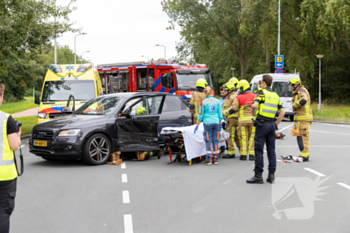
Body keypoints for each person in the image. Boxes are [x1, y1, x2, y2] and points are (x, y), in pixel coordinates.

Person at [247, 75, 285, 184]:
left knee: (258, 150)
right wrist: (276, 124)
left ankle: (258, 176)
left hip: (261, 124)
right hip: (271, 124)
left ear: (263, 82)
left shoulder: (261, 93)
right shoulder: (275, 95)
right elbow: (282, 112)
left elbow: (254, 106)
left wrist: (254, 116)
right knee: (271, 150)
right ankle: (271, 175)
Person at [0, 83, 22, 233]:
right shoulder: (6, 119)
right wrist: (18, 135)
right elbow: (15, 145)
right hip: (4, 176)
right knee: (2, 212)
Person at [194, 86, 223, 165]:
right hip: (216, 122)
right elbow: (220, 114)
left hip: (207, 123)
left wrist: (197, 125)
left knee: (208, 140)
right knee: (215, 140)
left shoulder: (203, 102)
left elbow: (200, 115)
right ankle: (216, 159)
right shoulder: (217, 101)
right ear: (212, 92)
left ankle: (209, 159)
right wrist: (220, 124)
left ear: (205, 93)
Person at [229, 80, 257, 161]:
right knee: (252, 137)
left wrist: (226, 112)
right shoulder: (255, 96)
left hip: (242, 121)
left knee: (243, 137)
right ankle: (252, 154)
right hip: (253, 120)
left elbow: (234, 108)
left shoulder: (239, 97)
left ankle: (243, 155)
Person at [289, 77, 313, 161]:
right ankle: (303, 154)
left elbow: (303, 100)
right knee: (300, 136)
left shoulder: (302, 91)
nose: (291, 87)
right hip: (300, 119)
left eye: (291, 85)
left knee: (303, 136)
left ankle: (305, 155)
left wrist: (295, 105)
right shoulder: (298, 92)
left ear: (296, 85)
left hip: (304, 118)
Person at [222, 81, 240, 158]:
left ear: (229, 90)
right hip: (238, 119)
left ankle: (231, 152)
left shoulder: (228, 98)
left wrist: (223, 114)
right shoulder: (237, 96)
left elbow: (225, 110)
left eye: (226, 90)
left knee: (229, 136)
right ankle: (242, 151)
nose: (225, 92)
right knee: (237, 136)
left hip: (231, 119)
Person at [218, 85, 227, 155]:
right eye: (221, 93)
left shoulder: (228, 100)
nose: (222, 94)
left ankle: (226, 147)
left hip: (226, 117)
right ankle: (222, 147)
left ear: (226, 92)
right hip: (220, 118)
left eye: (223, 93)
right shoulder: (219, 100)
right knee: (221, 133)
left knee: (225, 132)